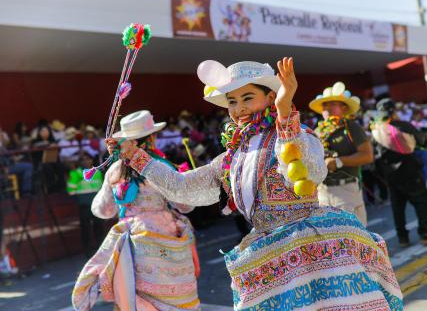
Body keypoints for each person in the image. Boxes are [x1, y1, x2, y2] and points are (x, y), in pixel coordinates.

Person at [112, 58, 403, 310]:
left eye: (247, 98)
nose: (239, 108)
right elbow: (184, 188)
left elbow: (309, 173)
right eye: (232, 101)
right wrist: (135, 157)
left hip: (310, 246)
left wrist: (286, 113)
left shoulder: (296, 133)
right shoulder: (231, 155)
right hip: (266, 251)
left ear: (270, 97)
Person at [72, 110, 201, 311]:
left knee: (137, 299)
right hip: (166, 235)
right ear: (151, 138)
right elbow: (186, 205)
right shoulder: (160, 166)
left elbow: (102, 210)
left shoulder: (115, 169)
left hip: (134, 240)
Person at [375, 98, 427, 247]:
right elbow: (421, 141)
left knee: (398, 208)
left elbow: (375, 157)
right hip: (410, 172)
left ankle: (403, 238)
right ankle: (425, 234)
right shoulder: (403, 126)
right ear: (393, 111)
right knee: (421, 201)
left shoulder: (376, 131)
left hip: (391, 175)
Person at [309, 82, 374, 226]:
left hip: (346, 190)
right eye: (324, 105)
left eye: (331, 104)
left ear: (344, 108)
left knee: (354, 236)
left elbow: (367, 155)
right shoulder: (318, 131)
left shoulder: (351, 128)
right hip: (322, 191)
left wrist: (338, 161)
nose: (326, 108)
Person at [67, 154, 104, 256]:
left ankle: (101, 249)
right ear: (79, 162)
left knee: (99, 227)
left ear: (92, 160)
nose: (86, 161)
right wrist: (80, 201)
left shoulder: (97, 172)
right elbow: (71, 190)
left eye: (88, 158)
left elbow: (101, 188)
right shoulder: (75, 174)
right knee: (85, 229)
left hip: (97, 204)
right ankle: (88, 251)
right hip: (84, 206)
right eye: (83, 159)